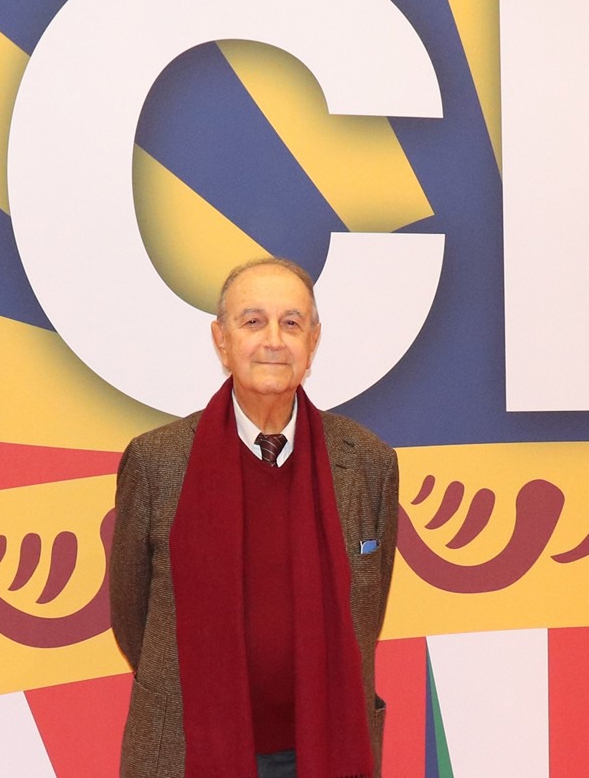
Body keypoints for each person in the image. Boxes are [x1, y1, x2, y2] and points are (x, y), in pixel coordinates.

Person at [110, 258, 400, 778]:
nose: (273, 341)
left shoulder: (367, 463)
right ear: (222, 341)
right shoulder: (157, 463)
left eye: (291, 323)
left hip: (325, 751)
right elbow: (132, 617)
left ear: (313, 341)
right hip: (189, 749)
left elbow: (366, 613)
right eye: (253, 321)